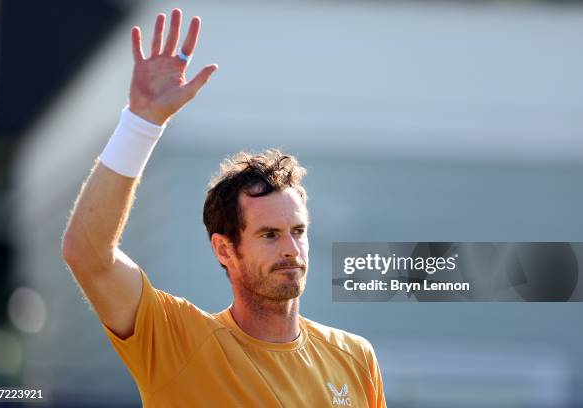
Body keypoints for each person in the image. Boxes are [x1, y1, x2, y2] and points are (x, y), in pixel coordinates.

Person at [62, 8, 387, 407]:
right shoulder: (177, 342)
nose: (291, 249)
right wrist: (141, 124)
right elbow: (88, 255)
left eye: (298, 231)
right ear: (224, 249)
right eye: (268, 234)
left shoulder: (355, 357)